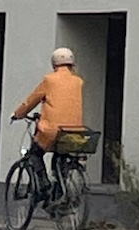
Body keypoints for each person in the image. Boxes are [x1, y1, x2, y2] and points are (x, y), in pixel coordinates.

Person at [12, 47, 85, 197]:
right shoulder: (78, 81)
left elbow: (32, 100)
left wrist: (18, 114)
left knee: (34, 154)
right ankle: (60, 190)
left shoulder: (49, 80)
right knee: (60, 155)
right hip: (74, 132)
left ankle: (44, 184)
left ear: (54, 64)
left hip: (52, 130)